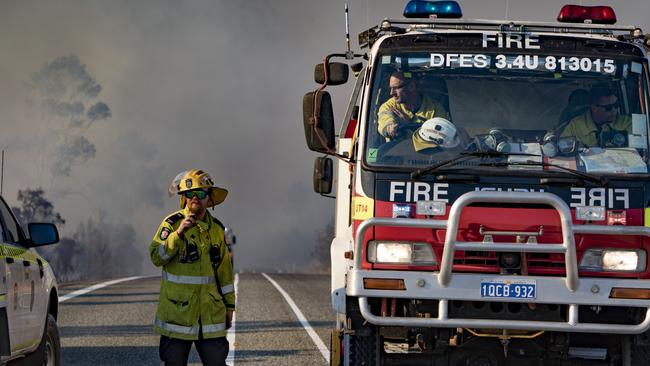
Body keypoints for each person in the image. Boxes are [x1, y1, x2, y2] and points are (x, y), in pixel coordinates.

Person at [150, 169, 235, 366]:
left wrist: (230, 306)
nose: (195, 198)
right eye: (190, 194)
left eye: (201, 193)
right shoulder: (171, 225)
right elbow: (156, 256)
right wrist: (178, 234)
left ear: (210, 198)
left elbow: (225, 272)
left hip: (210, 318)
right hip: (177, 317)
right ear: (183, 198)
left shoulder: (216, 230)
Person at [377, 71, 450, 140]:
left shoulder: (435, 109)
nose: (391, 93)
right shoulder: (389, 106)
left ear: (411, 86)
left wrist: (408, 126)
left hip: (428, 152)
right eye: (391, 88)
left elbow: (441, 137)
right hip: (394, 151)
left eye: (396, 88)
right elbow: (384, 120)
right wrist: (391, 128)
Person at [560, 84, 632, 148]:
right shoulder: (574, 127)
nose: (614, 110)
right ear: (594, 108)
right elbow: (562, 147)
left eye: (616, 105)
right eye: (608, 108)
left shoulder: (627, 123)